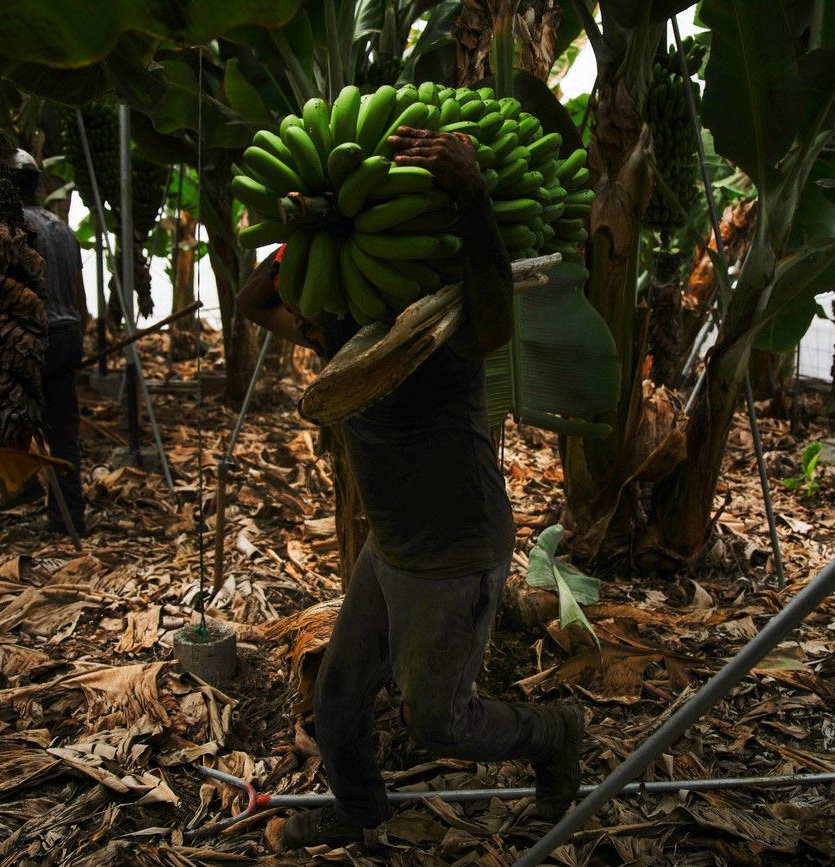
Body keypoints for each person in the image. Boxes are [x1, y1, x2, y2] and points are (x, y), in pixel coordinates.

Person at [239, 126, 584, 850]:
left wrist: (472, 193)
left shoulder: (437, 329)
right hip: (390, 548)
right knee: (337, 699)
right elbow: (252, 300)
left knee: (438, 720)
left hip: (456, 549)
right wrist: (305, 229)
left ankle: (555, 733)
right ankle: (359, 808)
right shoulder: (342, 337)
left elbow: (495, 315)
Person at [0, 149, 88, 534]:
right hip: (67, 335)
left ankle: (19, 480)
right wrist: (83, 341)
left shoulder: (6, 227)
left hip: (32, 337)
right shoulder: (63, 229)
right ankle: (70, 519)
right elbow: (80, 299)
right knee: (63, 434)